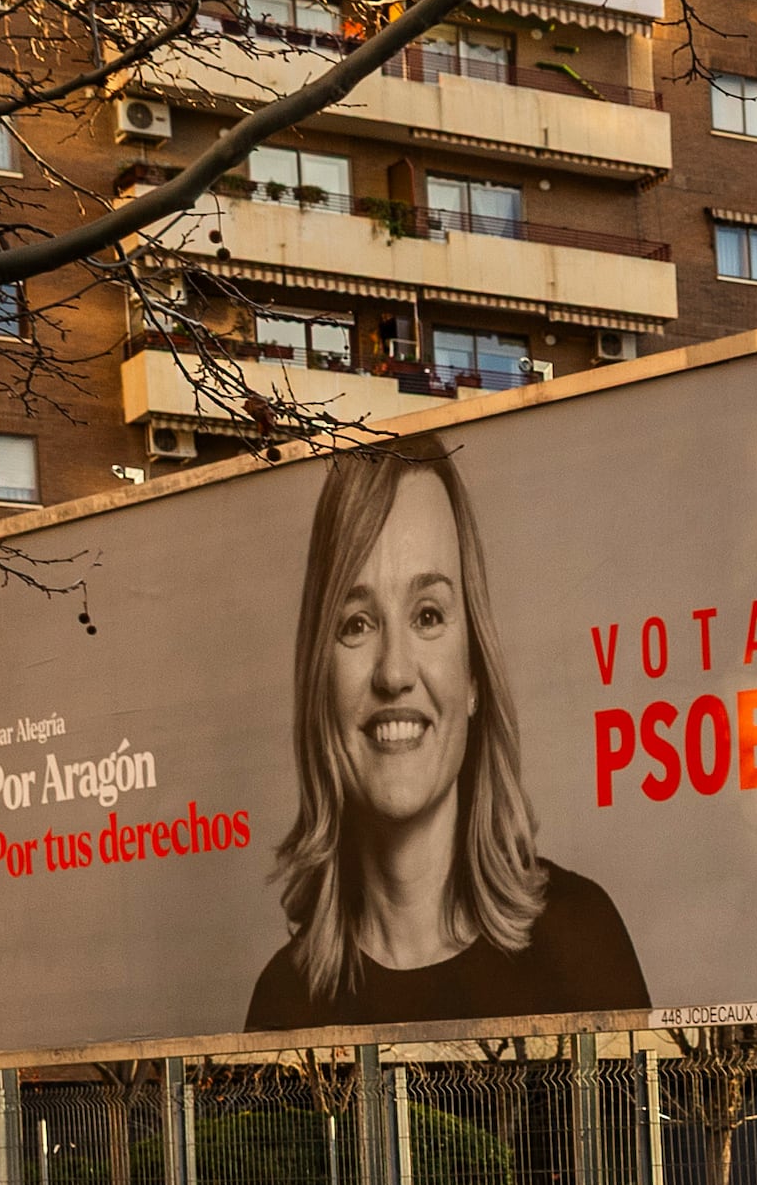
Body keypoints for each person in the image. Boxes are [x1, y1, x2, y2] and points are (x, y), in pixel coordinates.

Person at [244, 438, 647, 1029]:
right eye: (356, 624)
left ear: (474, 674)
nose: (395, 673)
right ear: (318, 687)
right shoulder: (282, 1005)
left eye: (428, 615)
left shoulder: (581, 943)